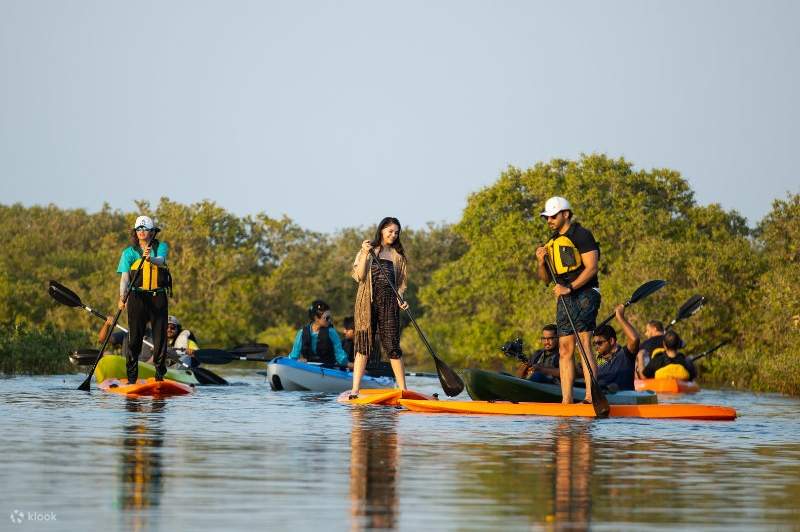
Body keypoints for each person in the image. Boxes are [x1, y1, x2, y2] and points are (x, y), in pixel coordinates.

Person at [535, 196, 602, 404]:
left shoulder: (582, 235)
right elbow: (546, 280)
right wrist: (541, 263)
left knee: (583, 343)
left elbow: (592, 267)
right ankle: (566, 400)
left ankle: (591, 397)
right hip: (565, 297)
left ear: (565, 214)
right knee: (565, 348)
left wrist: (570, 287)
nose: (549, 221)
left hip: (585, 293)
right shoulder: (552, 242)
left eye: (553, 216)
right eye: (547, 217)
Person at [350, 217, 409, 397]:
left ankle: (403, 390)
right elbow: (359, 276)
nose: (393, 235)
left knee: (393, 346)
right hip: (367, 304)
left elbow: (401, 285)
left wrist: (401, 299)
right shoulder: (367, 250)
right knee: (364, 346)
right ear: (382, 230)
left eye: (396, 232)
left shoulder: (398, 256)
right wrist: (365, 253)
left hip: (390, 304)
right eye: (390, 231)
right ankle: (355, 390)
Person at [116, 215, 171, 383]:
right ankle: (132, 379)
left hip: (158, 297)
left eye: (145, 229)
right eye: (139, 229)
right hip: (136, 297)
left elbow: (160, 261)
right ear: (135, 232)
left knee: (160, 339)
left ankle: (159, 376)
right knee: (134, 340)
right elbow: (125, 278)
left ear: (152, 231)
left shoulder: (160, 246)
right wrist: (121, 297)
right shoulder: (129, 252)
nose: (141, 232)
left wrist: (150, 259)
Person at [288, 300, 351, 368]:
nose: (329, 320)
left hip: (328, 369)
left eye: (330, 317)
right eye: (327, 318)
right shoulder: (302, 333)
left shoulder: (331, 332)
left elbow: (340, 356)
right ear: (316, 318)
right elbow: (293, 356)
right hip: (309, 368)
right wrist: (297, 361)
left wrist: (349, 364)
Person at [593, 304, 640, 391]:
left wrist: (620, 317)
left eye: (599, 343)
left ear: (611, 341)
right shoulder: (595, 362)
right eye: (594, 344)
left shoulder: (625, 355)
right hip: (602, 399)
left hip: (625, 401)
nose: (596, 347)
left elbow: (635, 339)